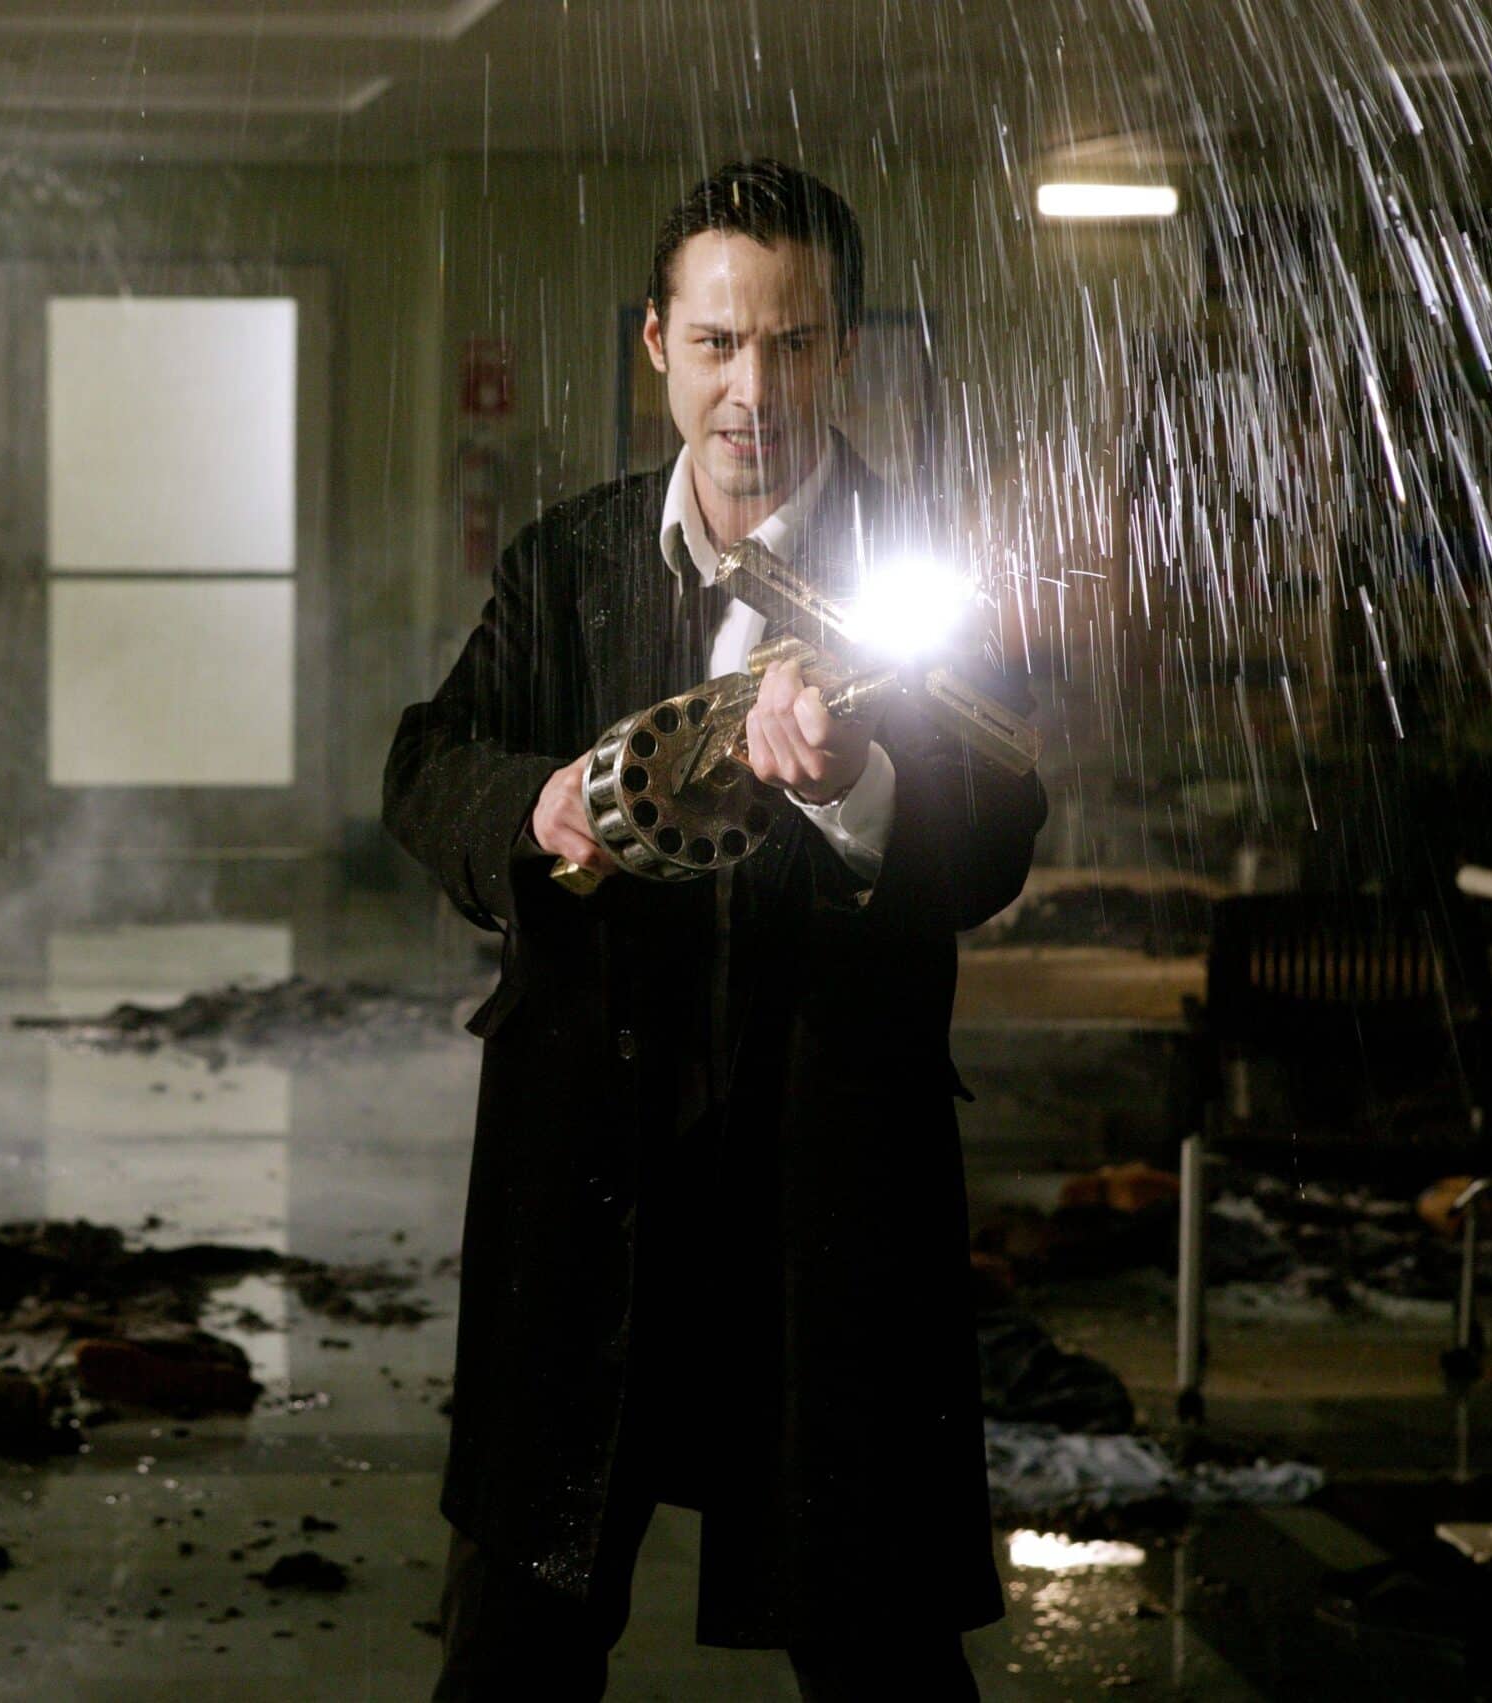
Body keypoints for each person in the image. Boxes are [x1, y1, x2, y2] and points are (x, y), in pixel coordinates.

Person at [383, 159, 1047, 1699]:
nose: (755, 389)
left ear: (847, 347)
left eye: (795, 343)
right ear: (656, 346)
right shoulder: (569, 559)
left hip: (829, 1170)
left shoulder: (925, 566)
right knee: (516, 1630)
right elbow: (426, 763)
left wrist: (857, 787)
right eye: (718, 343)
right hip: (587, 1160)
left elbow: (999, 827)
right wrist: (538, 802)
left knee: (877, 1635)